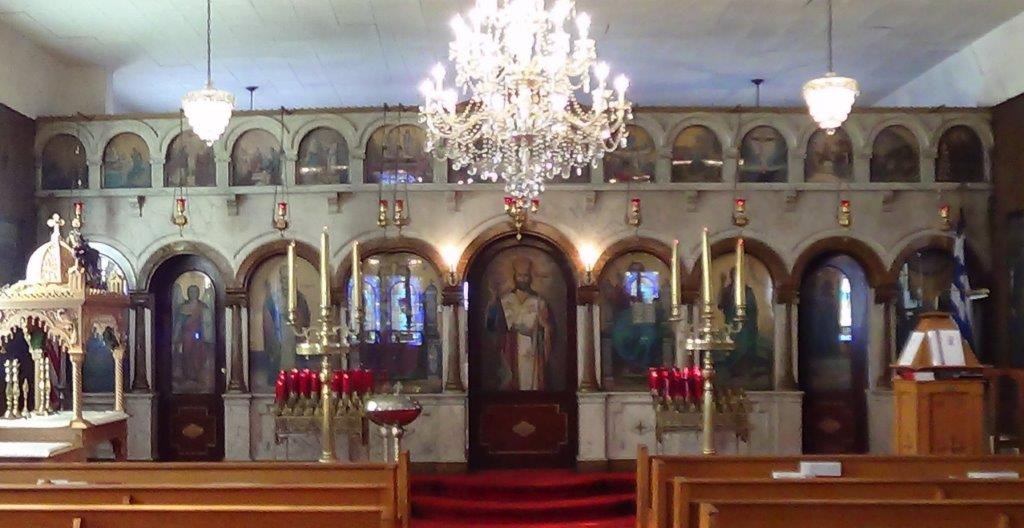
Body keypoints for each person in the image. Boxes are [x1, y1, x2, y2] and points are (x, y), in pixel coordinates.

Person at [486, 256, 553, 391]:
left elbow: (547, 328)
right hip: (510, 348)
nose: (522, 279)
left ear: (530, 278)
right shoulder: (505, 300)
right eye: (520, 276)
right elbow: (492, 326)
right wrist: (493, 303)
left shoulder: (538, 301)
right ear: (515, 277)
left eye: (525, 276)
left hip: (532, 349)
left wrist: (545, 327)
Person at [173, 284, 214, 390]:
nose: (193, 294)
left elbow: (208, 323)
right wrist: (176, 337)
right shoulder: (183, 307)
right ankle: (188, 376)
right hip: (186, 335)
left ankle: (197, 376)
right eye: (191, 292)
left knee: (198, 355)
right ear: (188, 293)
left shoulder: (203, 306)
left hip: (199, 336)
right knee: (187, 354)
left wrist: (207, 336)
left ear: (198, 293)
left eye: (195, 291)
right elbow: (179, 323)